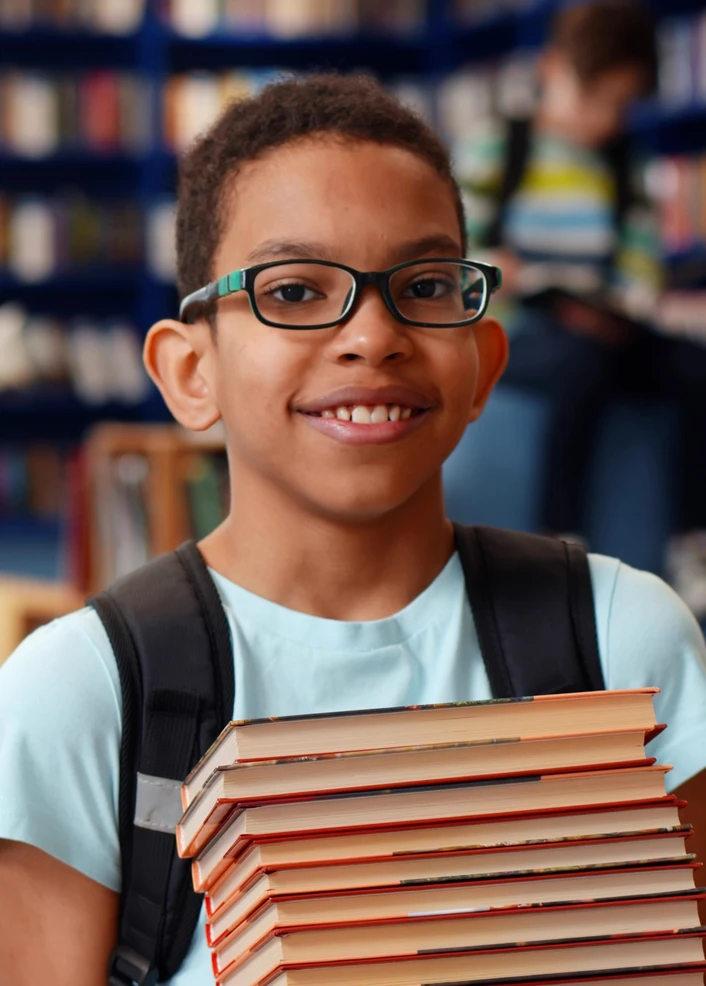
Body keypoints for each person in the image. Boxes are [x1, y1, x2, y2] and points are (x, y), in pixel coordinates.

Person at [0, 73, 705, 986]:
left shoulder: (625, 640)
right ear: (189, 372)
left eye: (424, 284)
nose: (373, 335)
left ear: (484, 362)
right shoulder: (83, 693)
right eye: (294, 291)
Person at [455, 0, 706, 562]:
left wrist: (627, 304)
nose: (605, 117)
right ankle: (560, 527)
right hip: (520, 326)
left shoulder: (624, 167)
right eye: (593, 98)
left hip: (605, 327)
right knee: (581, 365)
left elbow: (642, 266)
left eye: (620, 104)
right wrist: (502, 271)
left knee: (692, 367)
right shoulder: (498, 147)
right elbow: (455, 253)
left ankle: (693, 536)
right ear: (550, 70)